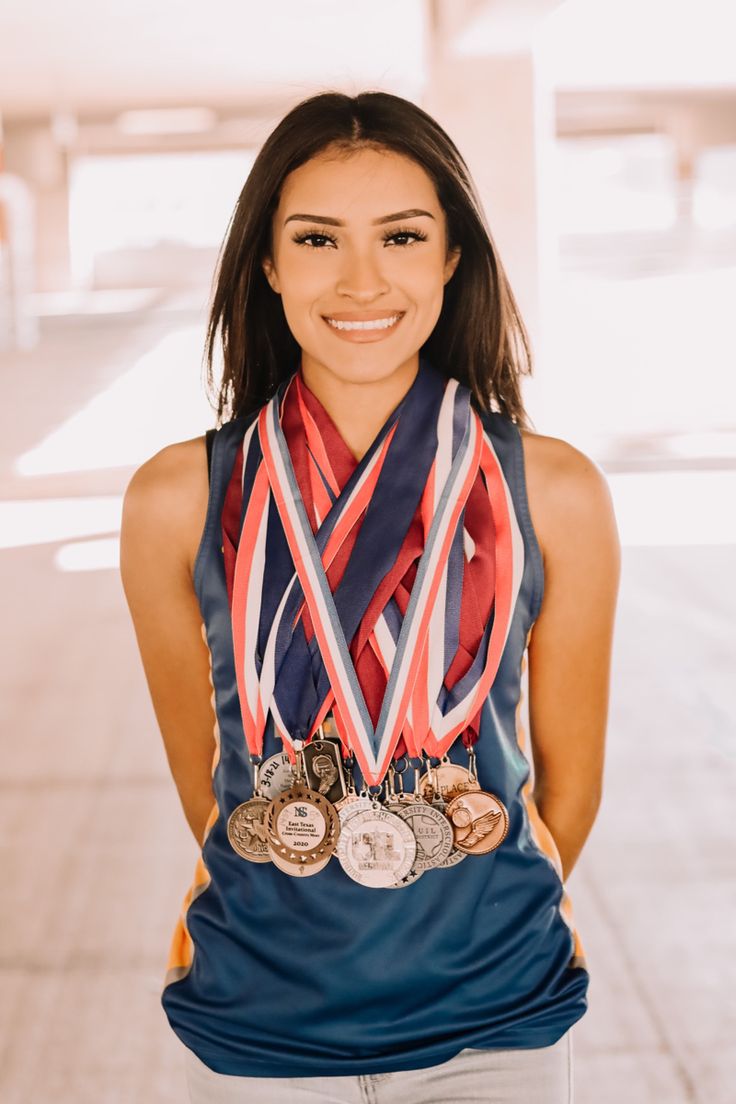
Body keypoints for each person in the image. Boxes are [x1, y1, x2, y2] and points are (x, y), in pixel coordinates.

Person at [119, 89, 620, 1104]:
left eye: (401, 236)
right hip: (259, 1022)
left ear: (452, 259)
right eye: (316, 239)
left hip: (496, 1020)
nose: (361, 279)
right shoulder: (175, 498)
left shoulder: (552, 491)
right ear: (266, 263)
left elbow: (567, 790)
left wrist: (460, 909)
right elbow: (210, 789)